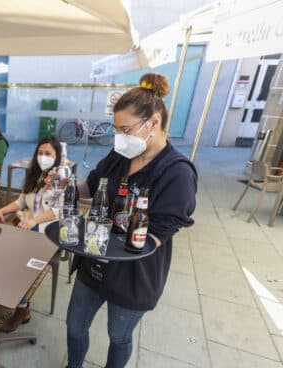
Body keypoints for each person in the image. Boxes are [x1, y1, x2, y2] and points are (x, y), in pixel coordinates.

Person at [66, 73, 197, 368]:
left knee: (119, 336)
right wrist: (67, 186)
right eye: (117, 129)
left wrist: (126, 239)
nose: (119, 137)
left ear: (153, 123)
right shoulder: (119, 154)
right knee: (75, 326)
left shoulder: (177, 173)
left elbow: (162, 230)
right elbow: (94, 184)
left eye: (125, 129)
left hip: (132, 277)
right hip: (94, 262)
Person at [0, 136, 62, 332]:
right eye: (40, 153)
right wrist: (4, 209)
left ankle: (21, 309)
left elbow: (60, 210)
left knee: (12, 260)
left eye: (48, 153)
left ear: (57, 156)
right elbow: (20, 203)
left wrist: (34, 220)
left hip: (47, 233)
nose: (43, 157)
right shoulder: (34, 176)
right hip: (27, 231)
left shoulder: (60, 177)